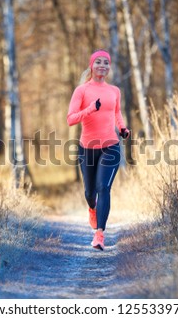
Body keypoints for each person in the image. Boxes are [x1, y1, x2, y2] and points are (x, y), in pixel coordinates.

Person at [67, 49, 130, 251]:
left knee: (104, 188)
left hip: (110, 145)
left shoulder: (114, 91)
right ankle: (92, 209)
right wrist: (90, 109)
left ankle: (99, 235)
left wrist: (122, 128)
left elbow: (116, 112)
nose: (102, 65)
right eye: (98, 62)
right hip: (87, 148)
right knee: (89, 192)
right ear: (92, 66)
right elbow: (71, 119)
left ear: (108, 67)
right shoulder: (82, 91)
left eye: (106, 62)